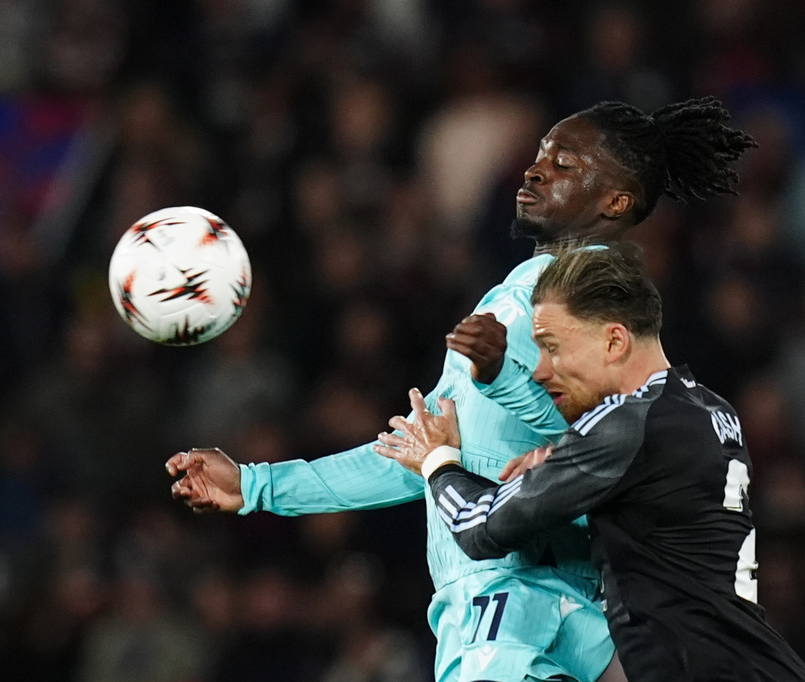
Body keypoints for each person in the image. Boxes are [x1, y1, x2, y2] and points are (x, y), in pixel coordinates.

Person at [166, 97, 756, 682]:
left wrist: (500, 385)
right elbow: (421, 456)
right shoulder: (533, 293)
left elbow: (619, 448)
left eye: (566, 164)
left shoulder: (577, 300)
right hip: (567, 609)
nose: (535, 169)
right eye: (540, 155)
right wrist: (257, 486)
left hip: (507, 600)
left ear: (616, 201)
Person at [374, 245, 805, 682]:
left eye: (552, 347)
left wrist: (437, 460)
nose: (541, 370)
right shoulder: (709, 409)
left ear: (613, 340)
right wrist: (563, 464)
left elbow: (482, 529)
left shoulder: (627, 423)